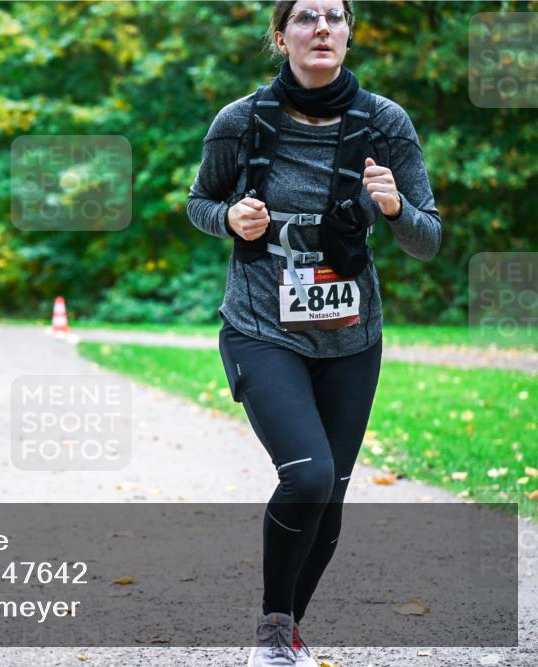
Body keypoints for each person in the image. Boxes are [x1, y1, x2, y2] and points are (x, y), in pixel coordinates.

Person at [186, 2, 441, 665]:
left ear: (349, 33)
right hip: (260, 326)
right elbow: (199, 203)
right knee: (309, 475)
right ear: (281, 36)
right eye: (305, 17)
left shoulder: (386, 124)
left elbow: (429, 238)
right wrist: (229, 218)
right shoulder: (239, 122)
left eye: (334, 16)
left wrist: (393, 206)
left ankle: (289, 627)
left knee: (331, 499)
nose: (321, 27)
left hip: (352, 337)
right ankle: (272, 635)